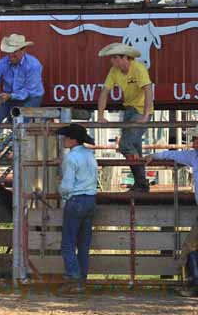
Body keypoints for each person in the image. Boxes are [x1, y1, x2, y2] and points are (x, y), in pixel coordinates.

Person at [0, 34, 44, 166]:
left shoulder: (33, 65)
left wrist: (10, 96)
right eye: (9, 52)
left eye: (14, 52)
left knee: (22, 121)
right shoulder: (1, 64)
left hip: (31, 97)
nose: (11, 55)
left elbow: (29, 90)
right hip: (10, 97)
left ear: (23, 50)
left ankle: (22, 151)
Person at [144, 126, 198, 296]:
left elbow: (174, 155)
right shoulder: (193, 156)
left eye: (195, 138)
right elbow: (172, 154)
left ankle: (195, 285)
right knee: (191, 246)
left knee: (191, 247)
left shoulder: (193, 156)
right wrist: (154, 155)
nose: (193, 142)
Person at [97, 42, 153, 193]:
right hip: (129, 110)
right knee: (134, 147)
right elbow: (104, 91)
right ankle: (141, 184)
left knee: (125, 145)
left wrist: (146, 115)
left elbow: (148, 89)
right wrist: (100, 115)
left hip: (140, 111)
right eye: (112, 58)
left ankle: (141, 182)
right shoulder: (114, 70)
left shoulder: (139, 68)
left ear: (125, 58)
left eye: (115, 58)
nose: (112, 61)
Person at [55, 123, 98, 295]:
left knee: (68, 242)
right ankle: (81, 279)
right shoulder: (90, 154)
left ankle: (74, 278)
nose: (64, 140)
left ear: (73, 140)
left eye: (66, 137)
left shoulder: (71, 158)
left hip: (76, 200)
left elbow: (66, 186)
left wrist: (61, 189)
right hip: (90, 199)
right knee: (83, 243)